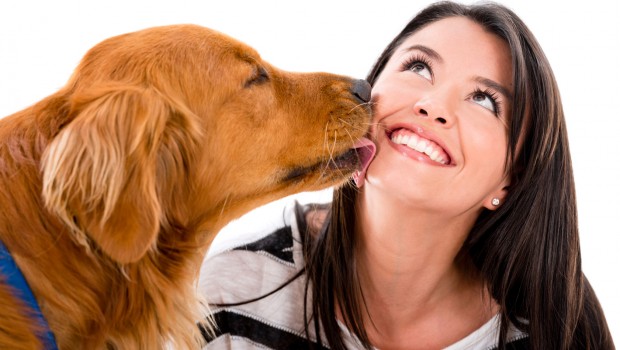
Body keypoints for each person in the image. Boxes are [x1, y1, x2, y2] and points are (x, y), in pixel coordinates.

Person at [199, 1, 615, 349]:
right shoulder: (230, 295)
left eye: (485, 100)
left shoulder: (554, 331)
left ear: (510, 180)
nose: (433, 105)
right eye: (419, 68)